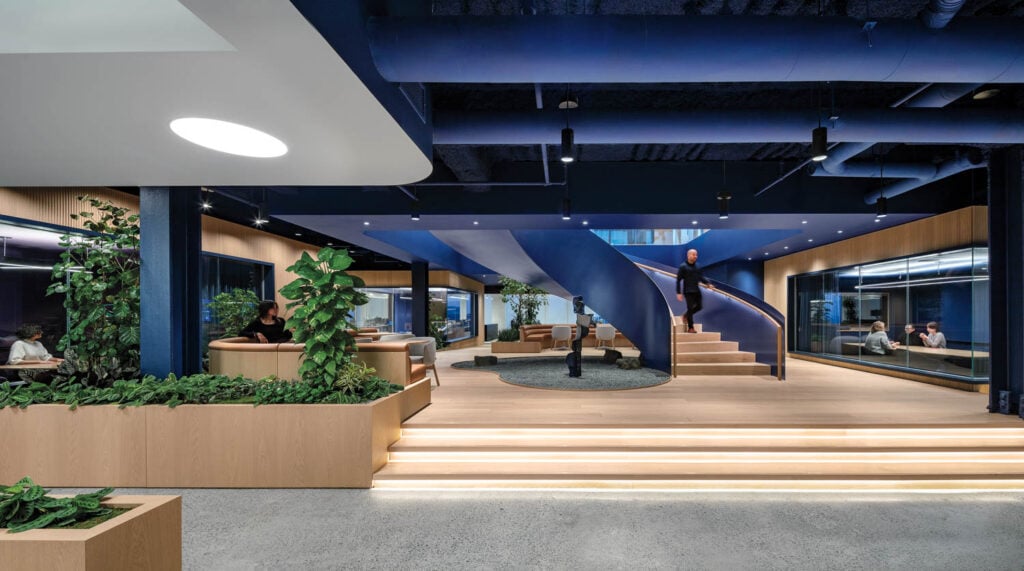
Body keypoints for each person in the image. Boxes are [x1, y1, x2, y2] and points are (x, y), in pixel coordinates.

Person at [675, 248, 715, 334]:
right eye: (693, 255)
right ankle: (691, 327)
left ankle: (685, 315)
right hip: (688, 291)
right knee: (690, 308)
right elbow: (678, 280)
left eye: (696, 255)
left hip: (696, 290)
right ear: (688, 255)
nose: (695, 256)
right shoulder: (683, 267)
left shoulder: (698, 266)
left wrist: (708, 283)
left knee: (699, 306)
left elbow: (701, 277)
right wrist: (678, 292)